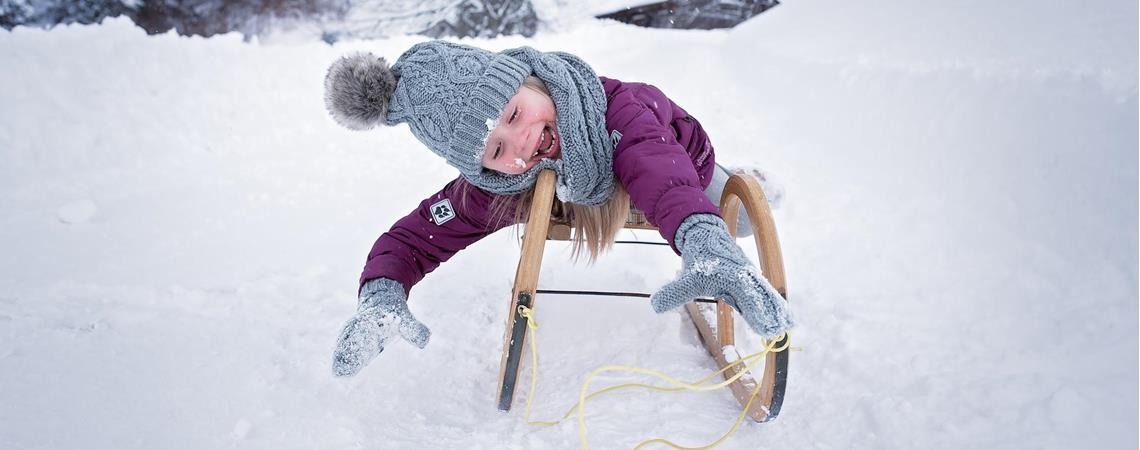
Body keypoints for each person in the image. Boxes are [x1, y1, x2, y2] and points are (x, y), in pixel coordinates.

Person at [323, 40, 793, 377]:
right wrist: (381, 295)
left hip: (678, 160)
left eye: (512, 115)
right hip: (587, 193)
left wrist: (706, 242)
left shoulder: (620, 113)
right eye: (496, 150)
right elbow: (414, 237)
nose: (522, 142)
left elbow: (660, 176)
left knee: (743, 217)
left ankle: (749, 181)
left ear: (533, 82)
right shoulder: (505, 184)